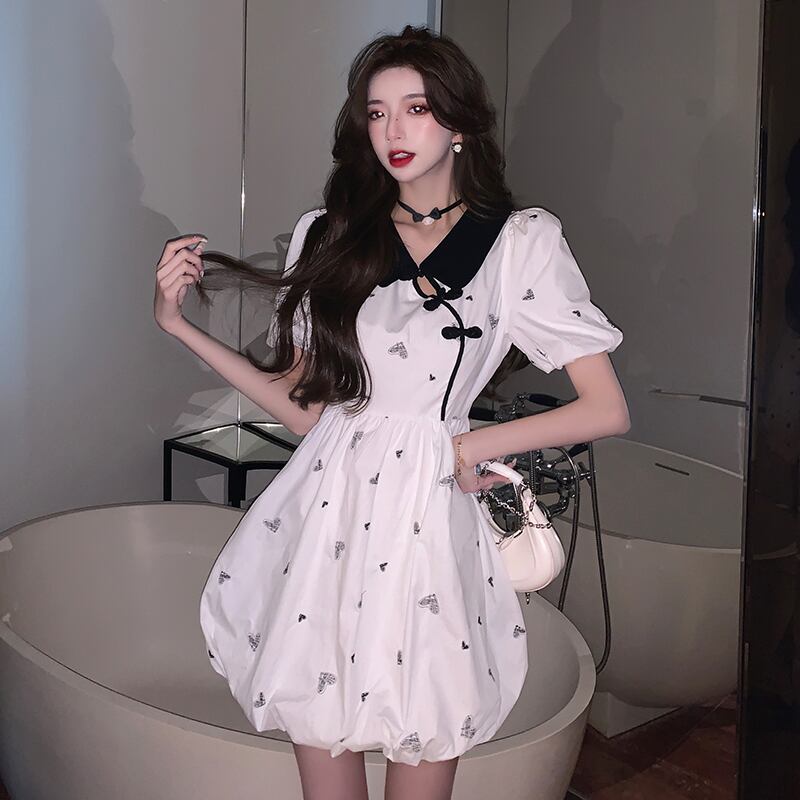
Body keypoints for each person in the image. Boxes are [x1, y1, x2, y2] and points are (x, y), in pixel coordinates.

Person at [153, 24, 629, 800]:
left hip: (430, 518)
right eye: (377, 113)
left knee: (427, 719)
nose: (394, 131)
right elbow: (307, 411)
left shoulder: (517, 243)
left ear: (460, 123)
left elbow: (605, 407)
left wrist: (467, 448)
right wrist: (178, 326)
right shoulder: (333, 235)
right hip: (328, 517)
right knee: (320, 723)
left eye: (416, 108)